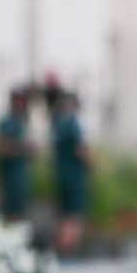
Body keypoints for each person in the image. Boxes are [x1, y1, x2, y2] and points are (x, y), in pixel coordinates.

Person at [50, 90, 91, 253]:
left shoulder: (58, 124)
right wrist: (91, 163)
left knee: (65, 213)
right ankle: (69, 247)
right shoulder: (74, 124)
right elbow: (80, 149)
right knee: (74, 214)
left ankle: (62, 246)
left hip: (62, 174)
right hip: (75, 176)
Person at [0, 89, 33, 222]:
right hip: (10, 175)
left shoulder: (22, 121)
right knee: (10, 209)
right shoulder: (6, 122)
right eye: (20, 100)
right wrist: (21, 148)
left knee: (20, 209)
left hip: (21, 174)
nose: (22, 104)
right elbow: (1, 148)